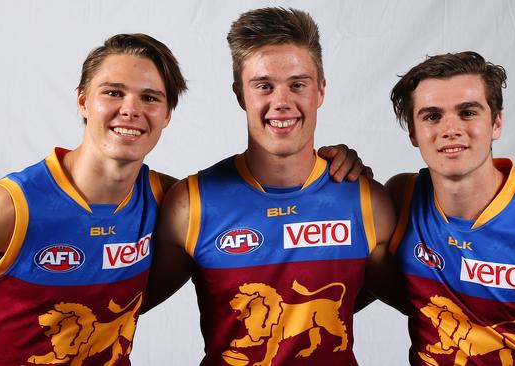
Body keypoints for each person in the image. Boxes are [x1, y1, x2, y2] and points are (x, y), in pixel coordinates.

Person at [0, 32, 368, 365]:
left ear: (167, 114)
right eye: (113, 92)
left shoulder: (172, 199)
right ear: (82, 101)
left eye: (150, 97)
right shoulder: (5, 207)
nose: (131, 109)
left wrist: (344, 166)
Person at [141, 7, 399, 365]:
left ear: (320, 90)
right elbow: (124, 307)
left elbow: (421, 300)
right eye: (263, 86)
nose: (281, 102)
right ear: (239, 94)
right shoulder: (191, 204)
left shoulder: (365, 198)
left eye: (298, 84)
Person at [385, 51, 515, 365]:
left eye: (468, 112)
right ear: (414, 133)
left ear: (495, 122)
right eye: (432, 116)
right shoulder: (401, 198)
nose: (450, 129)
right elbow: (367, 281)